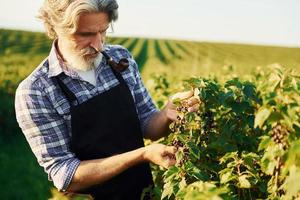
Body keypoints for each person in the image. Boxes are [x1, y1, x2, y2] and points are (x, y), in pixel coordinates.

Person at [15, 0, 200, 199]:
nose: (98, 44)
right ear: (55, 28)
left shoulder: (121, 58)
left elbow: (148, 125)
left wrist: (167, 113)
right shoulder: (35, 91)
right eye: (85, 34)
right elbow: (66, 174)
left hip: (143, 191)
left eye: (102, 31)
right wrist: (142, 155)